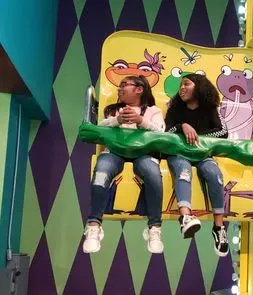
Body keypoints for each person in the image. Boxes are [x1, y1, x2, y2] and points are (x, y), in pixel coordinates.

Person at [83, 75, 165, 254]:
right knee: (101, 172)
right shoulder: (113, 110)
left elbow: (160, 131)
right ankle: (94, 225)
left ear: (139, 89)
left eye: (124, 85)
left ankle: (154, 228)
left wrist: (140, 121)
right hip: (114, 152)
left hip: (143, 153)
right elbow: (99, 129)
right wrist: (117, 121)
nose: (119, 88)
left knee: (153, 174)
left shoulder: (153, 111)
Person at [164, 73, 229, 257]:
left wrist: (197, 138)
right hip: (178, 154)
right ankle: (185, 217)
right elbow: (166, 132)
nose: (182, 88)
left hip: (202, 155)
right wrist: (182, 126)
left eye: (187, 84)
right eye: (180, 85)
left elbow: (223, 132)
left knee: (215, 174)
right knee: (183, 171)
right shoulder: (174, 109)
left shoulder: (211, 109)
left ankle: (219, 227)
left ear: (199, 87)